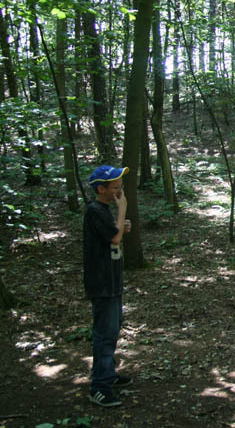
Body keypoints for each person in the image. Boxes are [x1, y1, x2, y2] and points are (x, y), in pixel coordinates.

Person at [84, 165, 133, 407]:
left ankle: (107, 374)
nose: (119, 191)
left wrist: (121, 226)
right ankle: (99, 387)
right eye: (115, 187)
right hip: (102, 283)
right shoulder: (94, 210)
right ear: (101, 189)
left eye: (120, 186)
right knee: (104, 334)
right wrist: (122, 209)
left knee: (112, 330)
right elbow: (114, 238)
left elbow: (113, 235)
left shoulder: (103, 211)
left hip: (112, 281)